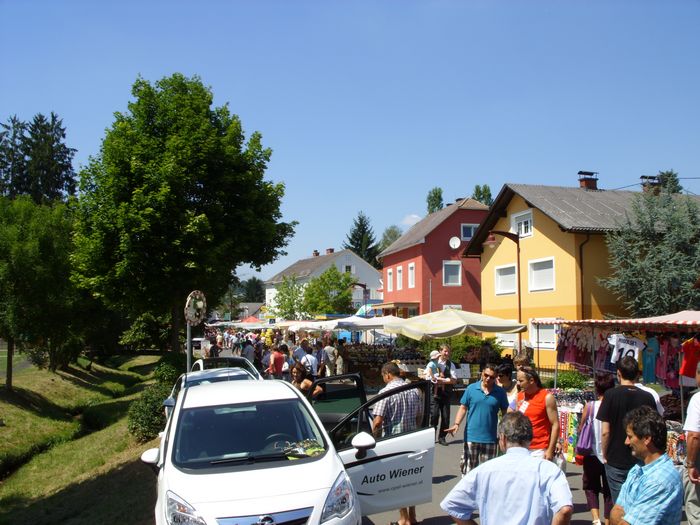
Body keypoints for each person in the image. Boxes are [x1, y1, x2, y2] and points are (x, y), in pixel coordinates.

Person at [441, 411, 573, 525]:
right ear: (530, 439)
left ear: (503, 439)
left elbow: (452, 505)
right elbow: (565, 509)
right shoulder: (548, 470)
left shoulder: (484, 470)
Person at [596, 356, 656, 503]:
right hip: (641, 456)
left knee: (620, 503)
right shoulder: (648, 397)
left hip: (615, 456)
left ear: (618, 373)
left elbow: (605, 431)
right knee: (640, 501)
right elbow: (653, 428)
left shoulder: (610, 395)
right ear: (637, 374)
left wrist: (604, 453)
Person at [609, 406, 683, 525]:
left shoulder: (660, 480)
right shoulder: (638, 468)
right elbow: (616, 511)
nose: (626, 442)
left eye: (630, 437)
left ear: (647, 438)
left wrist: (624, 518)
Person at [372, 362, 422, 525]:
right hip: (412, 440)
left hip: (393, 443)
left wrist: (374, 439)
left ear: (387, 374)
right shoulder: (413, 390)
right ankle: (412, 517)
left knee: (397, 482)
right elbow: (419, 415)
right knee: (411, 480)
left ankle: (403, 519)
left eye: (383, 376)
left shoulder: (385, 392)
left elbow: (377, 421)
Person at [447, 364, 509, 474]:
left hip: (490, 439)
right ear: (482, 374)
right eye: (486, 375)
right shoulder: (471, 388)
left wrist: (504, 432)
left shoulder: (500, 392)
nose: (488, 379)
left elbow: (505, 413)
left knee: (487, 473)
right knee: (469, 472)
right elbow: (463, 407)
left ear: (496, 378)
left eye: (492, 377)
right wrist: (456, 424)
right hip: (471, 437)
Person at [580, 373, 615, 525]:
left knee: (591, 487)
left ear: (597, 388)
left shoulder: (590, 406)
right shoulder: (614, 406)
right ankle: (607, 520)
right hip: (611, 454)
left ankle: (596, 519)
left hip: (591, 452)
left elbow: (581, 427)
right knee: (609, 490)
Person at [514, 366, 559, 460]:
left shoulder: (547, 397)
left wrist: (551, 449)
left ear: (531, 380)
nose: (518, 383)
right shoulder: (519, 396)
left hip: (539, 449)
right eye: (517, 380)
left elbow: (555, 424)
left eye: (521, 381)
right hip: (521, 447)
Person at [683, 361, 700, 523]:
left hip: (698, 459)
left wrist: (691, 464)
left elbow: (694, 435)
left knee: (696, 508)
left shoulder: (697, 399)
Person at [430, 344, 458, 445]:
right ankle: (431, 437)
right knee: (434, 415)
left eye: (448, 351)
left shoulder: (451, 365)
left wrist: (443, 381)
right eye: (445, 351)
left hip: (446, 393)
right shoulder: (433, 362)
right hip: (435, 393)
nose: (447, 353)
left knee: (446, 417)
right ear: (440, 351)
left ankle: (442, 437)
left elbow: (454, 380)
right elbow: (427, 374)